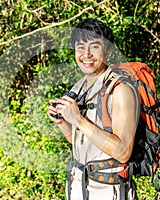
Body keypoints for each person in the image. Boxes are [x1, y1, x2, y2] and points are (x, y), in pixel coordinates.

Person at [47, 19, 140, 200]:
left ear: (107, 50)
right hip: (79, 187)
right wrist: (63, 123)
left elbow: (123, 152)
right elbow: (85, 144)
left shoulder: (121, 90)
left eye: (94, 47)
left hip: (108, 190)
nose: (86, 54)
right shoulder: (80, 87)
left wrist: (79, 120)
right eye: (80, 47)